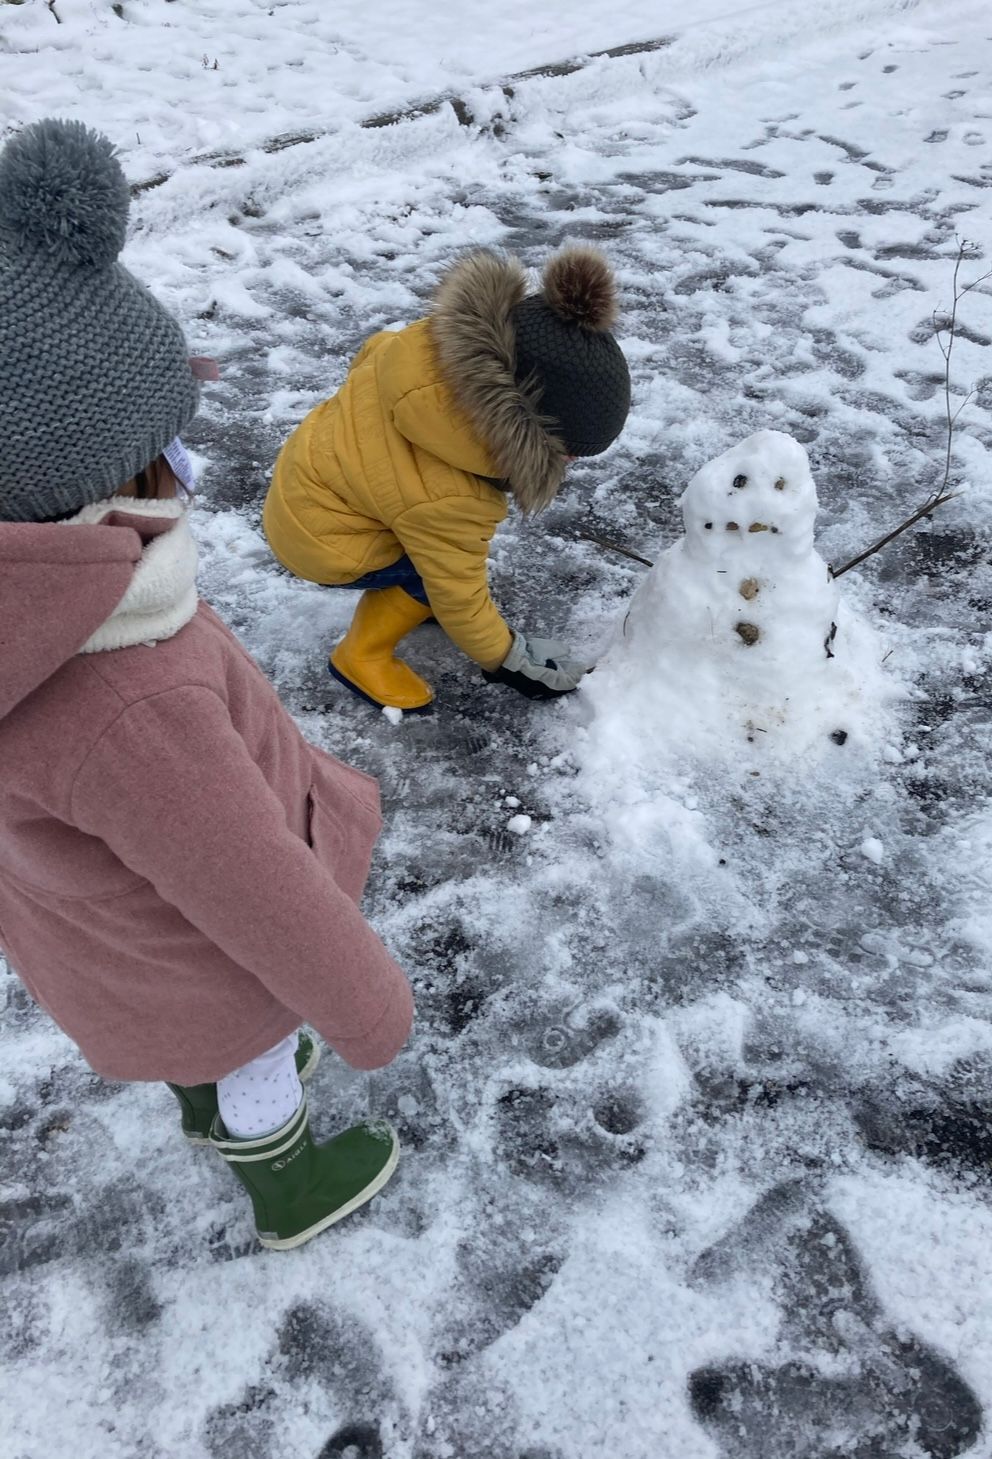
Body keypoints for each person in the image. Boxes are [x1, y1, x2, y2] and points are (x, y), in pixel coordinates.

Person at [0, 118, 413, 1251]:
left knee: (217, 1038)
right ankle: (286, 1177)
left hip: (114, 946)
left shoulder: (34, 617)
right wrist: (369, 1007)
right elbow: (255, 892)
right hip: (204, 959)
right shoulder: (129, 700)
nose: (179, 479)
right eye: (156, 456)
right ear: (73, 481)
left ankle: (202, 1084)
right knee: (258, 1042)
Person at [262, 242, 632, 712]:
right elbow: (459, 595)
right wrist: (508, 659)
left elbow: (368, 354)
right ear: (528, 430)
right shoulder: (450, 496)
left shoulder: (423, 349)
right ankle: (362, 654)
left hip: (304, 483)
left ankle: (397, 591)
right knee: (431, 575)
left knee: (432, 554)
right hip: (322, 543)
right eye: (566, 454)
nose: (570, 466)